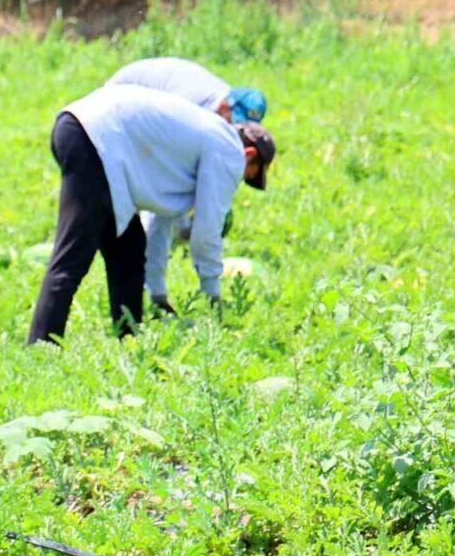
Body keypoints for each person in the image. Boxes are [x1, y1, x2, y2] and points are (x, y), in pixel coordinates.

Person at [27, 84, 275, 344]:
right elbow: (206, 233)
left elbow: (159, 223)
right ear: (249, 155)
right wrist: (213, 299)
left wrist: (158, 296)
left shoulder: (207, 139)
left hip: (88, 132)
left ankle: (130, 342)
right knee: (73, 257)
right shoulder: (230, 152)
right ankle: (41, 348)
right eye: (247, 176)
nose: (238, 181)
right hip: (95, 137)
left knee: (129, 248)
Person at [108, 57, 268, 306]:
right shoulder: (191, 108)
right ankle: (152, 296)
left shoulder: (218, 120)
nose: (235, 135)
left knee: (167, 207)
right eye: (233, 123)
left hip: (146, 117)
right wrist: (184, 223)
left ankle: (153, 295)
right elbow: (167, 185)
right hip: (119, 108)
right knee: (158, 207)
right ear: (225, 106)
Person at [107, 56, 267, 124]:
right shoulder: (194, 100)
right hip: (120, 95)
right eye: (235, 121)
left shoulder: (221, 99)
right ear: (226, 105)